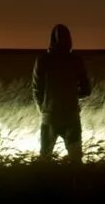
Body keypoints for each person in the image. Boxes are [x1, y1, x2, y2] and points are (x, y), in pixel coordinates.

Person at [31, 23, 92, 161]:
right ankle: (75, 182)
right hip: (71, 116)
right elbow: (87, 91)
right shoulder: (76, 60)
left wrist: (43, 108)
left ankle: (45, 182)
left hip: (49, 116)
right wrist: (73, 96)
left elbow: (36, 90)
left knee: (45, 159)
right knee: (76, 160)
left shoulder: (42, 60)